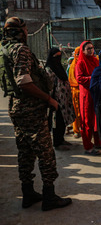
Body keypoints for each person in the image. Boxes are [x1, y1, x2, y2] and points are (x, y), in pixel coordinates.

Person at [1, 17, 71, 211]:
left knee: (25, 151)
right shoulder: (21, 49)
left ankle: (28, 193)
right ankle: (49, 197)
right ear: (21, 31)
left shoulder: (5, 49)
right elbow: (23, 81)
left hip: (16, 106)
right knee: (46, 153)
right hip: (31, 108)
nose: (27, 33)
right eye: (25, 29)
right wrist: (49, 99)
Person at [45, 48, 75, 150]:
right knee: (57, 121)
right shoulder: (49, 69)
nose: (58, 59)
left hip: (64, 99)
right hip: (56, 100)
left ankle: (61, 139)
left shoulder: (59, 67)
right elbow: (49, 86)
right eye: (56, 57)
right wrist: (51, 100)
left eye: (59, 56)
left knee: (62, 120)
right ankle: (57, 143)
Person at [76, 41, 101, 155]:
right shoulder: (80, 63)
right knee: (87, 120)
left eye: (92, 48)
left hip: (97, 93)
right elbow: (80, 79)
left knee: (97, 119)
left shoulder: (96, 61)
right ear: (83, 50)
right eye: (88, 48)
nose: (91, 50)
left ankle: (98, 142)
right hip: (86, 95)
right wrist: (94, 79)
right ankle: (88, 146)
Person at [68, 47, 81, 138]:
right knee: (76, 112)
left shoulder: (85, 64)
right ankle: (76, 130)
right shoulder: (72, 66)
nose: (78, 56)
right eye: (77, 54)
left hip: (85, 92)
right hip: (75, 92)